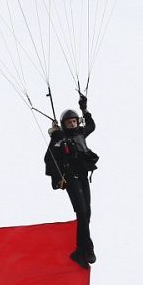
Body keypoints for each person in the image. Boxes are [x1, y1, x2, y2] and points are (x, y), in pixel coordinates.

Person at [44, 94, 98, 267]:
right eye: (69, 123)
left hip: (82, 175)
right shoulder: (59, 139)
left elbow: (91, 125)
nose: (73, 124)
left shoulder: (81, 134)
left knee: (87, 213)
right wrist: (57, 178)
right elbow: (48, 159)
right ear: (64, 125)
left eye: (75, 121)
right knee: (81, 212)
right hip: (70, 177)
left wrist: (85, 109)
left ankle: (81, 251)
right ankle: (87, 249)